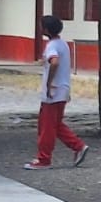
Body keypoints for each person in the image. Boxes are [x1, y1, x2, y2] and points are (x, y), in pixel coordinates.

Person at [27, 14, 88, 170]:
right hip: (63, 88)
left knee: (46, 126)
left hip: (53, 91)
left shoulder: (52, 46)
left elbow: (54, 62)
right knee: (56, 124)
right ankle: (78, 146)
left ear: (46, 29)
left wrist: (48, 83)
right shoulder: (63, 44)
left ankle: (44, 159)